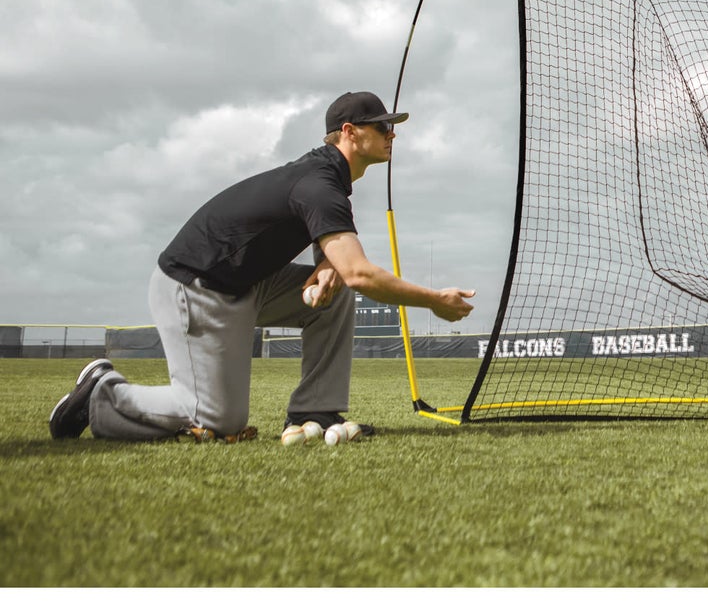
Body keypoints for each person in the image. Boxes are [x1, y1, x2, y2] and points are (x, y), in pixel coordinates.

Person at [49, 90, 475, 444]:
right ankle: (104, 392)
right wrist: (435, 301)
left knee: (336, 293)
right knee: (220, 421)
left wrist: (326, 264)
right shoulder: (319, 183)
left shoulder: (327, 180)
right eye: (382, 126)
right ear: (349, 133)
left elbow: (332, 248)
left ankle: (315, 411)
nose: (392, 133)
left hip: (246, 283)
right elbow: (361, 273)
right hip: (194, 285)